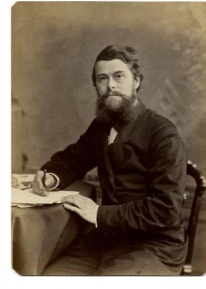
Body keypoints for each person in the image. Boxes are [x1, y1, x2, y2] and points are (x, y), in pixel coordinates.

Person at [32, 45, 188, 276]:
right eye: (102, 79)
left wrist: (98, 214)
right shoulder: (101, 126)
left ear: (136, 81)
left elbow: (165, 210)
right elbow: (72, 159)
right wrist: (51, 177)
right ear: (95, 86)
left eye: (119, 76)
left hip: (153, 247)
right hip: (103, 241)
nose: (111, 85)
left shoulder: (163, 134)